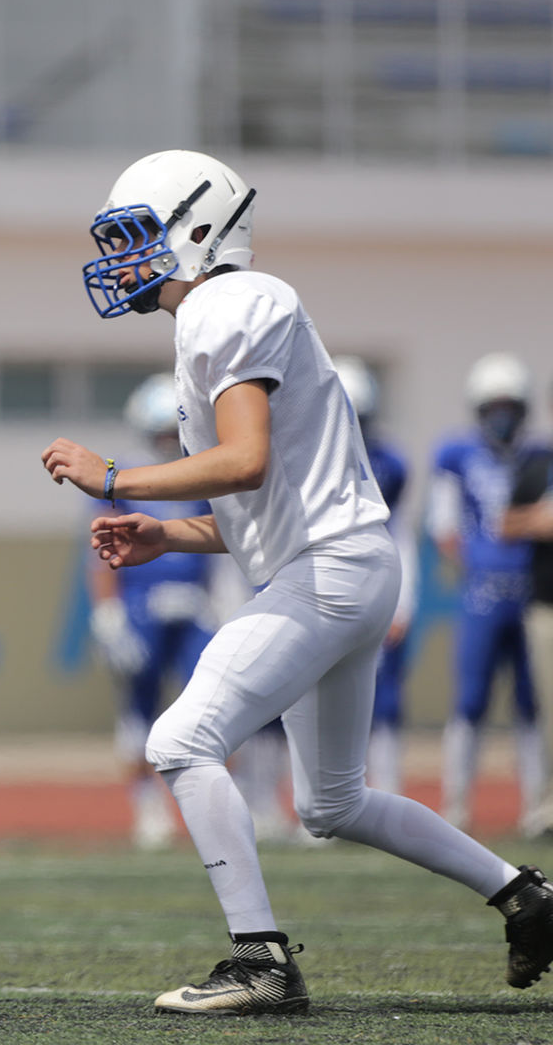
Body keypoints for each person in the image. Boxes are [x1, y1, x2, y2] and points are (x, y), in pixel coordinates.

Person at [44, 147, 553, 1016]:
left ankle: (262, 962)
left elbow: (242, 461)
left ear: (197, 230)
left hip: (328, 574)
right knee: (333, 800)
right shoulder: (227, 311)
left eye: (137, 234)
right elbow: (261, 505)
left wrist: (116, 477)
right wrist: (168, 535)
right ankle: (527, 899)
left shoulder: (230, 302)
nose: (122, 256)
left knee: (179, 742)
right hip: (335, 565)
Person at [87, 375, 217, 851]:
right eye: (160, 432)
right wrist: (108, 615)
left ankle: (223, 803)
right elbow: (100, 555)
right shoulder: (124, 484)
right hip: (142, 610)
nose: (168, 442)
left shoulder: (206, 478)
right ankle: (146, 805)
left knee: (216, 707)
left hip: (194, 609)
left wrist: (222, 600)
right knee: (138, 711)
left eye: (173, 432)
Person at [431, 352, 543, 831]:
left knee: (532, 701)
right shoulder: (457, 454)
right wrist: (473, 568)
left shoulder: (540, 457)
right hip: (483, 593)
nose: (502, 415)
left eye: (510, 405)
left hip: (531, 591)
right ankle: (456, 806)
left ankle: (538, 806)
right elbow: (444, 526)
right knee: (470, 699)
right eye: (493, 405)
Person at [331, 357, 415, 797]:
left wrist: (404, 602)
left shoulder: (390, 463)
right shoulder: (305, 453)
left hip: (374, 585)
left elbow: (398, 530)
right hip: (325, 587)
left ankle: (385, 793)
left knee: (382, 698)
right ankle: (326, 798)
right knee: (320, 698)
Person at [503, 372, 553, 834]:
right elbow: (506, 522)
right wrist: (540, 519)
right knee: (548, 710)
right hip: (546, 606)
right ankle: (547, 807)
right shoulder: (539, 463)